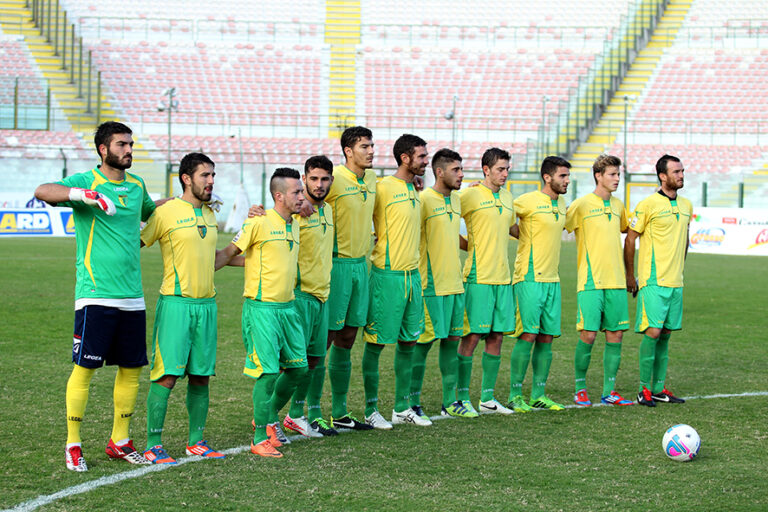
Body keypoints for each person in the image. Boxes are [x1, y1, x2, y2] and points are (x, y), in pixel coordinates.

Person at [34, 121, 154, 472]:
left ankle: (120, 440)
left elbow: (151, 212)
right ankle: (73, 444)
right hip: (95, 295)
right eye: (121, 144)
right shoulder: (86, 181)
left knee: (132, 369)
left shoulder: (137, 184)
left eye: (130, 144)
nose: (128, 149)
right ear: (104, 149)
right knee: (85, 368)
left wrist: (186, 202)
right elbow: (43, 190)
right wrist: (82, 195)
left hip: (133, 296)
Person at [140, 153, 226, 464]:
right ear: (187, 178)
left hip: (207, 306)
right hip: (176, 305)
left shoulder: (210, 214)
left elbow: (213, 257)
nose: (211, 181)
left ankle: (196, 441)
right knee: (167, 376)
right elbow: (136, 242)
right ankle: (152, 444)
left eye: (213, 175)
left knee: (201, 376)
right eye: (205, 175)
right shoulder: (166, 213)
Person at [215, 168, 307, 458]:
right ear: (279, 195)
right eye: (296, 192)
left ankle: (265, 416)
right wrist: (203, 266)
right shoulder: (258, 222)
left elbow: (266, 258)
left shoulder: (295, 224)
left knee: (298, 370)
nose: (301, 196)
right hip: (262, 308)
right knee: (267, 374)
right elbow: (230, 253)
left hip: (288, 308)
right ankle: (259, 437)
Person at [360, 134, 428, 428]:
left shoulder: (414, 188)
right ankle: (370, 410)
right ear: (405, 158)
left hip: (412, 277)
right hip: (386, 275)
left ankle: (401, 407)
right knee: (376, 344)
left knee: (409, 342)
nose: (426, 161)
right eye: (422, 157)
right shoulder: (382, 186)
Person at [410, 148, 476, 419]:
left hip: (455, 284)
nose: (461, 175)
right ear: (439, 172)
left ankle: (450, 401)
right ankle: (410, 402)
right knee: (422, 345)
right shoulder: (423, 199)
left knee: (451, 342)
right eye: (456, 170)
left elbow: (451, 235)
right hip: (431, 286)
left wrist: (471, 245)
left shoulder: (458, 199)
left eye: (461, 169)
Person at [564, 155, 633, 407]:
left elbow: (628, 230)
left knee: (615, 335)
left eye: (618, 175)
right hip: (590, 281)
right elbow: (558, 223)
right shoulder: (581, 205)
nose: (617, 179)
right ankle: (580, 389)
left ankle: (609, 391)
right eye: (612, 174)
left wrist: (629, 274)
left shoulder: (619, 206)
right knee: (589, 335)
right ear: (598, 176)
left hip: (616, 282)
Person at [624, 154, 691, 407]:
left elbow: (685, 238)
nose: (681, 175)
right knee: (652, 332)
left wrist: (680, 268)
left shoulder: (686, 205)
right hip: (653, 281)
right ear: (662, 176)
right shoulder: (647, 204)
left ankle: (659, 388)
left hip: (676, 282)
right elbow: (630, 239)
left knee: (665, 334)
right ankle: (643, 389)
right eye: (676, 172)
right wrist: (631, 276)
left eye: (682, 171)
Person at [281, 156, 339, 438]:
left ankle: (294, 415)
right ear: (304, 179)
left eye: (325, 179)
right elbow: (273, 215)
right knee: (294, 363)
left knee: (315, 360)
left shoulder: (327, 209)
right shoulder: (295, 210)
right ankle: (265, 418)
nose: (319, 184)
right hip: (300, 295)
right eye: (314, 178)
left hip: (322, 296)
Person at [456, 147, 517, 416]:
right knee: (471, 337)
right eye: (500, 169)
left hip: (503, 279)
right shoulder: (469, 194)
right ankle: (459, 397)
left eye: (507, 169)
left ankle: (488, 398)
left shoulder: (507, 198)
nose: (505, 174)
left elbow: (513, 228)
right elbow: (444, 219)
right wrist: (467, 246)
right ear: (486, 170)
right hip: (478, 278)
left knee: (496, 337)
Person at [324, 126, 377, 431]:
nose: (371, 151)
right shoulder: (333, 180)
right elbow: (299, 201)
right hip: (336, 266)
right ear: (348, 151)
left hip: (361, 267)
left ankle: (341, 412)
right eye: (365, 147)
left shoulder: (371, 179)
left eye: (372, 146)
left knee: (348, 338)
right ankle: (309, 411)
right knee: (325, 340)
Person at [508, 156, 570, 412]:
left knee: (546, 338)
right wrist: (524, 238)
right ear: (548, 177)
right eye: (562, 176)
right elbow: (505, 218)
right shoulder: (527, 200)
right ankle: (514, 395)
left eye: (568, 176)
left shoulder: (563, 203)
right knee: (528, 334)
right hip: (529, 277)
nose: (567, 181)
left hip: (552, 279)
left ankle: (538, 395)